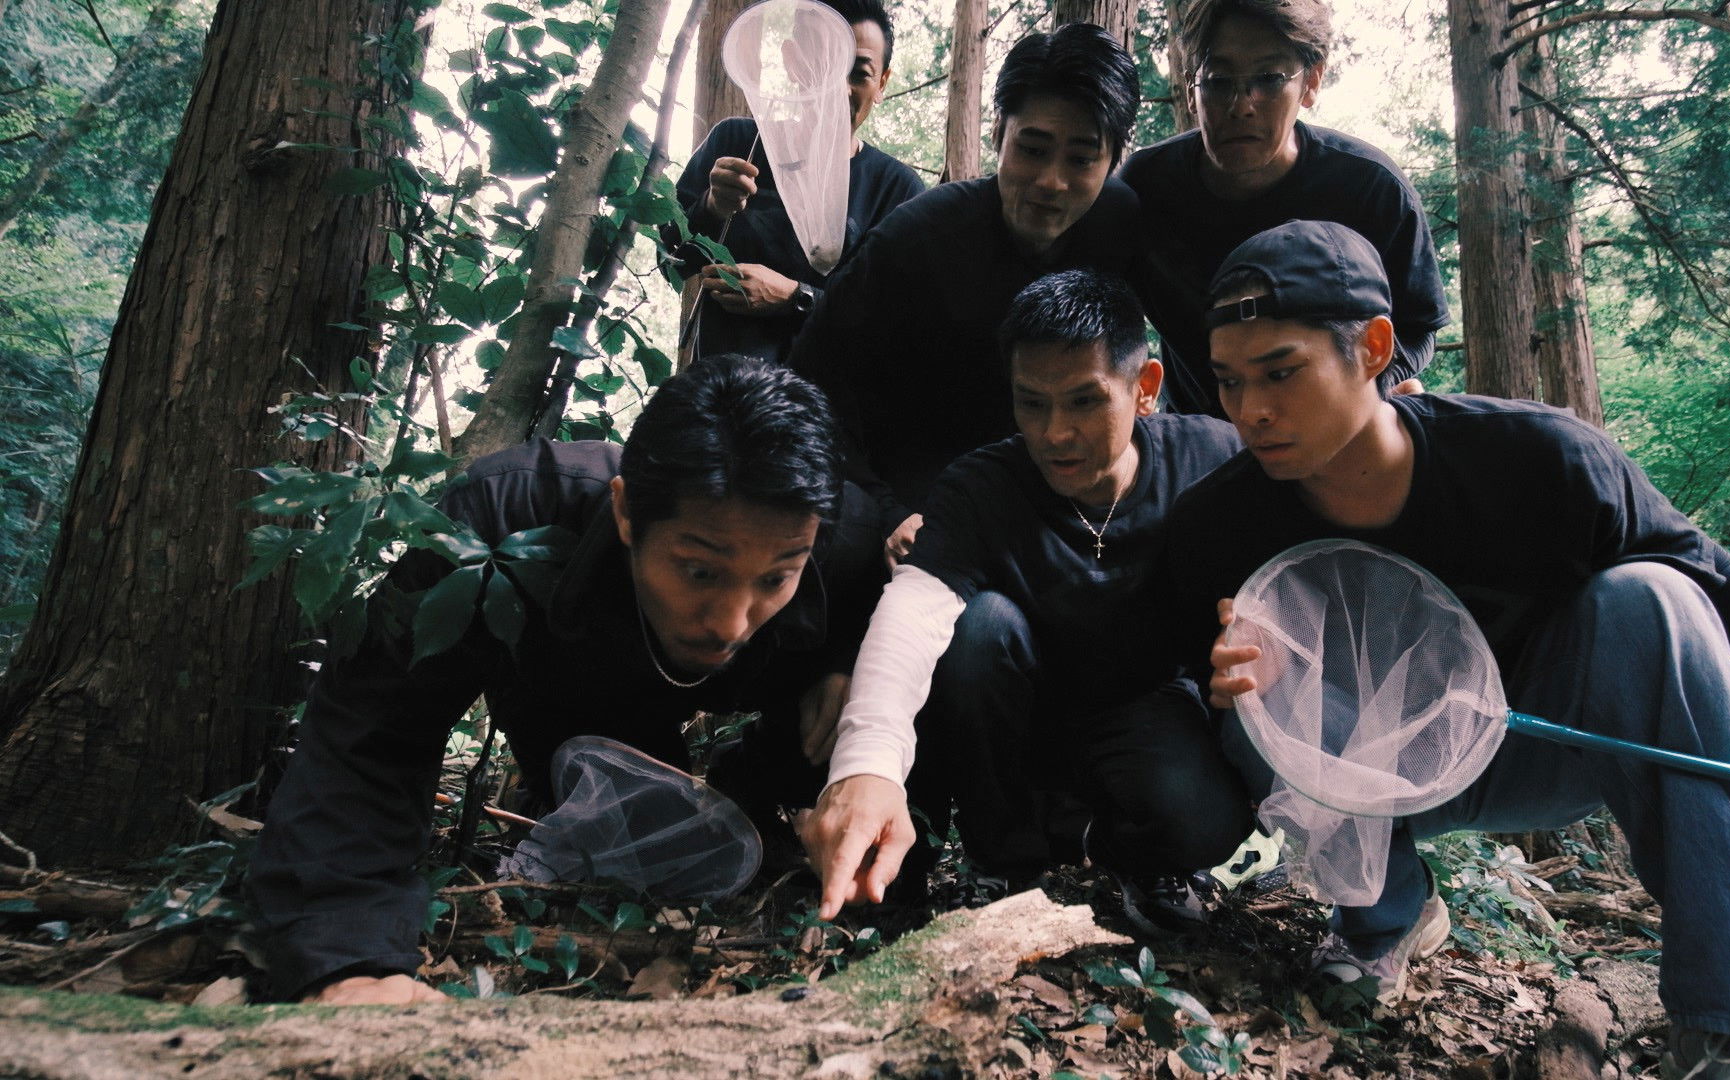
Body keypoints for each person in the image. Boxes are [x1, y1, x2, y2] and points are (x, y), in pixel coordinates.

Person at [1164, 220, 1730, 1079]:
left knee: (1653, 594)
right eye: (1229, 381)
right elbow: (1160, 673)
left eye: (1281, 372)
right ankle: (1383, 922)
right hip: (1371, 772)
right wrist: (1226, 679)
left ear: (1372, 348)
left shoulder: (1536, 456)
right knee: (1252, 677)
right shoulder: (1219, 520)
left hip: (1552, 747)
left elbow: (1714, 576)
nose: (1250, 411)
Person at [249, 356, 886, 1005]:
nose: (730, 622)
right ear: (627, 511)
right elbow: (373, 730)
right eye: (700, 571)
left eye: (776, 578)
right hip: (575, 698)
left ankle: (748, 779)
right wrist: (347, 958)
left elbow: (895, 593)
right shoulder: (501, 516)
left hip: (762, 695)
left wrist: (851, 667)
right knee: (627, 852)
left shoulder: (847, 535)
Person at [796, 270, 1253, 935]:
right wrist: (866, 766)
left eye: (1084, 401)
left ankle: (1108, 845)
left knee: (1206, 826)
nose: (1055, 433)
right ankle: (1005, 857)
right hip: (1015, 711)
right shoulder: (981, 487)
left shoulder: (1214, 458)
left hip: (1145, 706)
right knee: (978, 626)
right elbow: (912, 613)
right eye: (1032, 403)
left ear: (1145, 387)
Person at [787, 23, 1141, 540]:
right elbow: (812, 376)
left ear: (1113, 161)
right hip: (906, 486)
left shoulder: (1120, 226)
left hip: (1046, 482)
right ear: (998, 133)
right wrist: (888, 511)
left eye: (1081, 159)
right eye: (1033, 149)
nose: (1051, 181)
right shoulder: (919, 236)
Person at [1119, 0, 1448, 415]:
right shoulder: (1144, 188)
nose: (1241, 105)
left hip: (1330, 429)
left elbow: (1418, 327)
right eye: (1219, 82)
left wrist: (1373, 387)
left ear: (1311, 82)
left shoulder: (1370, 189)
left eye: (1269, 79)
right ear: (1191, 87)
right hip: (1200, 434)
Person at [668, 0, 925, 365]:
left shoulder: (897, 190)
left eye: (858, 73)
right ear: (792, 62)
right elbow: (671, 261)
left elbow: (896, 323)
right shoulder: (737, 143)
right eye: (822, 66)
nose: (838, 89)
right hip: (722, 392)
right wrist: (712, 206)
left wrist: (794, 298)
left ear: (882, 82)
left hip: (828, 398)